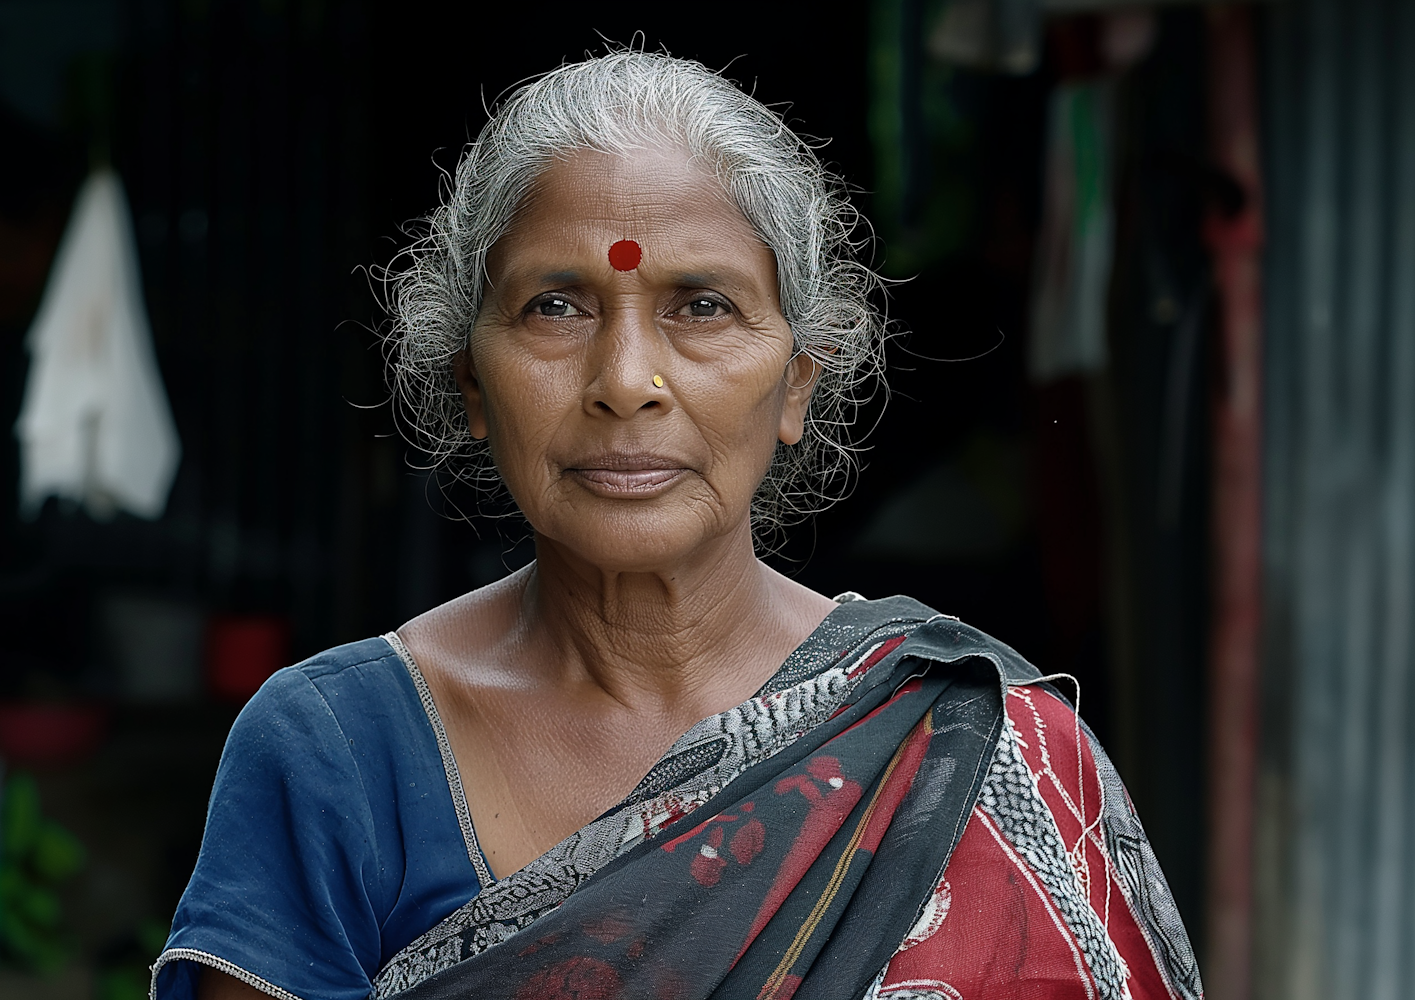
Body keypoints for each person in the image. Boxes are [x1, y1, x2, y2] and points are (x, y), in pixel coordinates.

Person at [152, 51, 1200, 1000]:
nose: (625, 382)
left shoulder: (973, 742)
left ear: (796, 383)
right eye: (555, 306)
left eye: (701, 305)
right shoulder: (336, 752)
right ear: (472, 383)